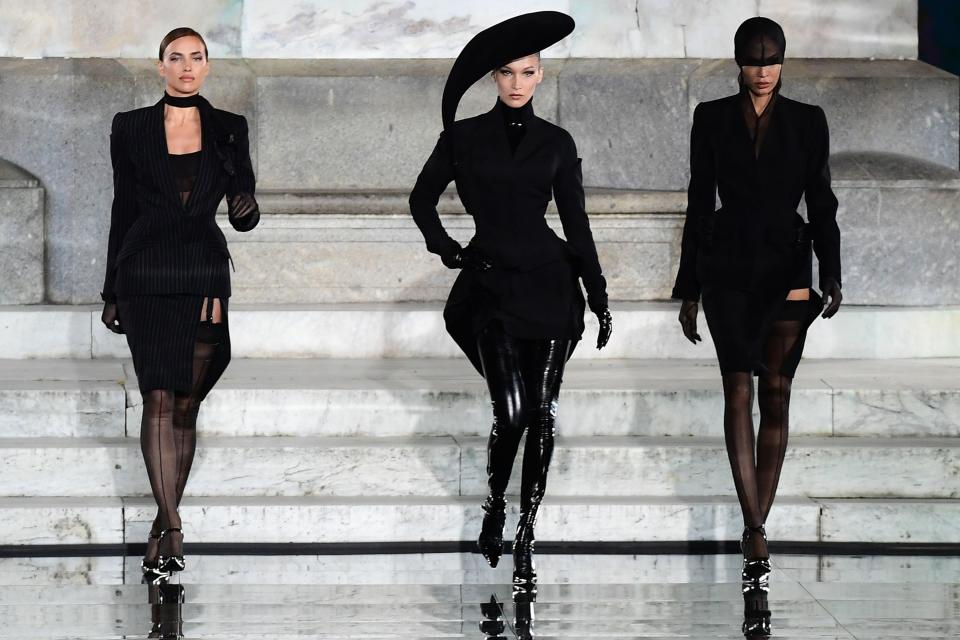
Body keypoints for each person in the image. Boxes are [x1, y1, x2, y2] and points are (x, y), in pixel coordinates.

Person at [409, 11, 612, 594]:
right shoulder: (464, 137)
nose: (517, 83)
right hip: (492, 286)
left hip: (551, 286)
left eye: (527, 72)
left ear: (541, 75)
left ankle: (526, 531)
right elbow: (422, 199)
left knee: (542, 414)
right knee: (515, 411)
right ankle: (497, 503)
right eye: (507, 73)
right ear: (494, 79)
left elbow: (576, 223)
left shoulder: (557, 143)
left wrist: (597, 293)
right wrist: (449, 250)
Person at [671, 16, 842, 637]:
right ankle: (755, 530)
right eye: (753, 58)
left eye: (772, 58)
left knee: (776, 393)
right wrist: (688, 287)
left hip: (789, 269)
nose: (764, 68)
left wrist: (834, 272)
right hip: (725, 271)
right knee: (737, 389)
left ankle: (755, 526)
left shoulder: (808, 121)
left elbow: (820, 198)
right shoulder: (710, 118)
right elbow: (698, 198)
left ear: (784, 61)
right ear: (738, 60)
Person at [99, 26, 259, 582]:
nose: (187, 66)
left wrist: (245, 206)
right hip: (144, 272)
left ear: (208, 66)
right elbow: (122, 206)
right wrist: (110, 288)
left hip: (202, 272)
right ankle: (172, 527)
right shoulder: (132, 127)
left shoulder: (228, 128)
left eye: (197, 57)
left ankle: (161, 527)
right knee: (158, 398)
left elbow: (246, 202)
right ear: (160, 66)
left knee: (187, 405)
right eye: (176, 58)